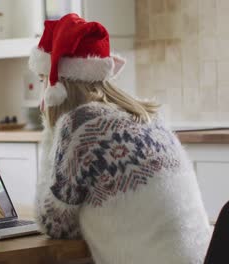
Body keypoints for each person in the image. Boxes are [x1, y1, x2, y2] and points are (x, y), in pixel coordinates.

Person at [29, 13, 212, 263]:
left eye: (42, 81)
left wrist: (50, 135)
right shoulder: (148, 117)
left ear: (57, 88)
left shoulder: (79, 126)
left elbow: (54, 224)